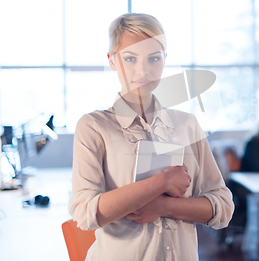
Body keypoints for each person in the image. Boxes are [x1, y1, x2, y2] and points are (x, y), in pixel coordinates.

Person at [68, 13, 234, 261]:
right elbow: (85, 213)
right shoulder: (94, 127)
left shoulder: (187, 125)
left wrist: (165, 207)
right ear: (112, 60)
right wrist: (161, 183)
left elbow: (222, 207)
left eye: (153, 58)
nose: (142, 70)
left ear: (165, 59)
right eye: (130, 58)